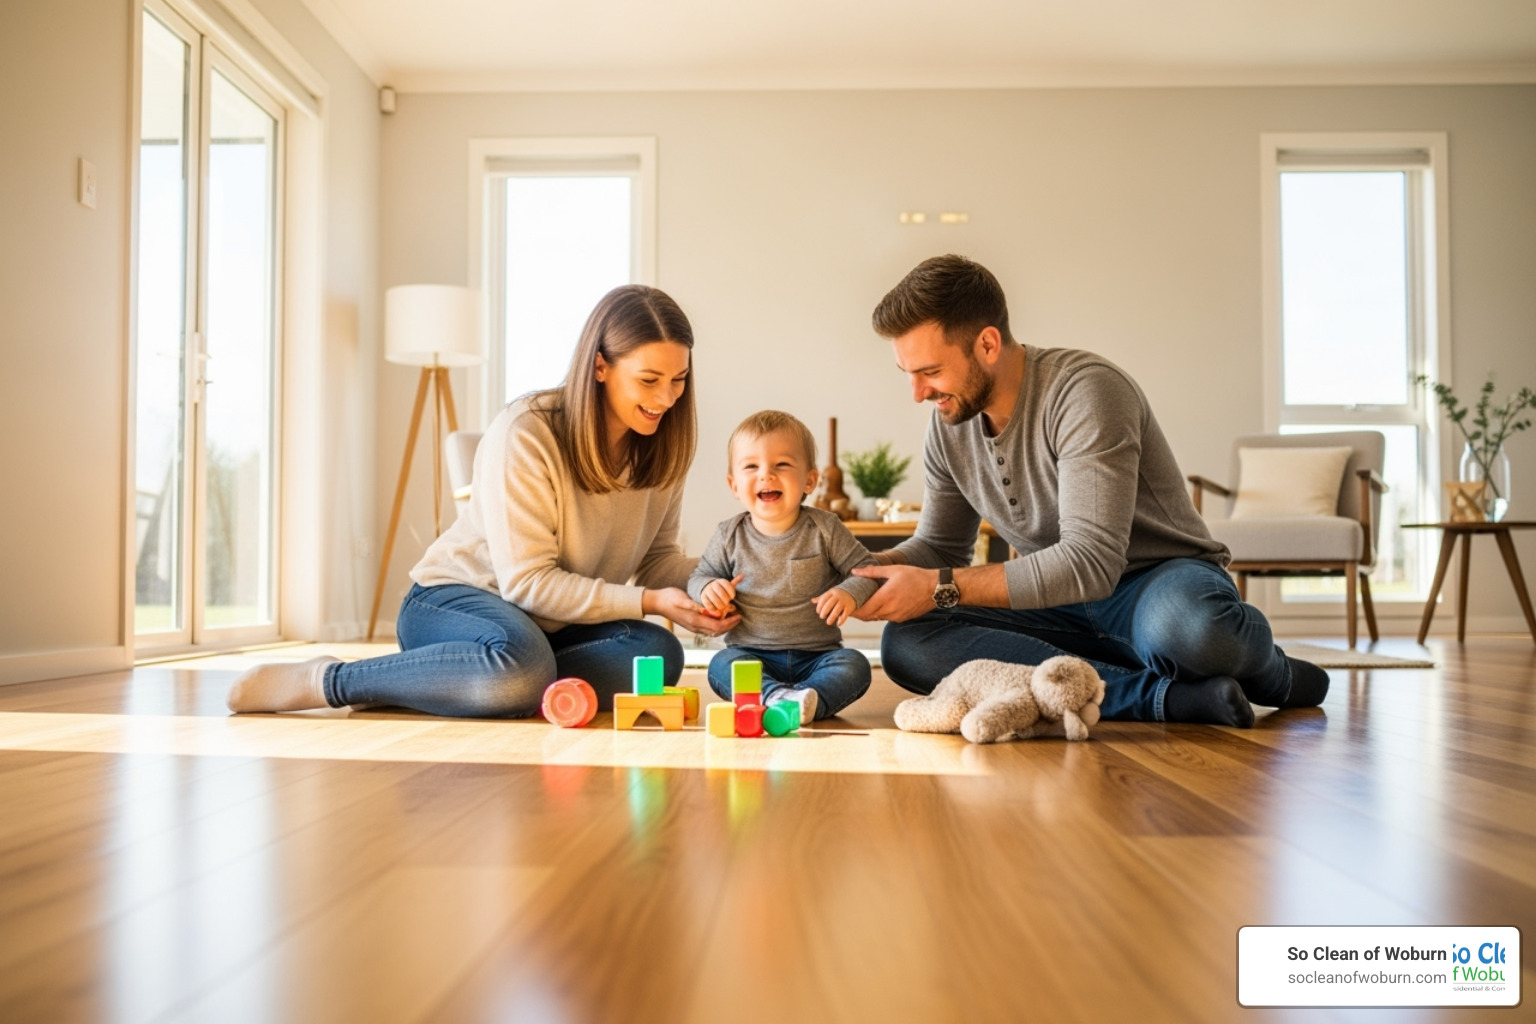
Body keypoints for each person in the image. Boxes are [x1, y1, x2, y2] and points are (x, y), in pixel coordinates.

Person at [851, 255, 1329, 728]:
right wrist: (862, 573)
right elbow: (939, 547)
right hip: (1057, 606)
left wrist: (940, 586)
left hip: (1156, 584)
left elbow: (1091, 562)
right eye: (908, 374)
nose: (918, 393)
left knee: (1191, 633)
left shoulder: (1086, 391)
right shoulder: (949, 424)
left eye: (930, 371)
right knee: (908, 642)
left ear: (988, 344)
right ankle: (1161, 698)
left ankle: (1274, 674)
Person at [227, 285, 736, 718]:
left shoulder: (663, 445)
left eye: (679, 380)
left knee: (656, 654)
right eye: (649, 380)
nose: (667, 399)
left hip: (544, 629)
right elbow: (528, 582)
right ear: (600, 366)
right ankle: (334, 680)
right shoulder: (529, 432)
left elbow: (656, 560)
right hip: (455, 601)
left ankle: (467, 681)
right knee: (524, 666)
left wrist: (719, 577)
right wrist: (649, 602)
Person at [688, 410, 879, 722]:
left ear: (810, 481)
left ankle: (808, 698)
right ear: (734, 485)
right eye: (752, 466)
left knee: (855, 664)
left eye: (782, 465)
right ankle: (776, 696)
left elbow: (866, 570)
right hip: (751, 656)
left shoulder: (825, 528)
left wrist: (849, 593)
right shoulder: (728, 534)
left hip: (818, 657)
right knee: (721, 664)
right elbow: (700, 576)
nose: (766, 475)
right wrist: (708, 588)